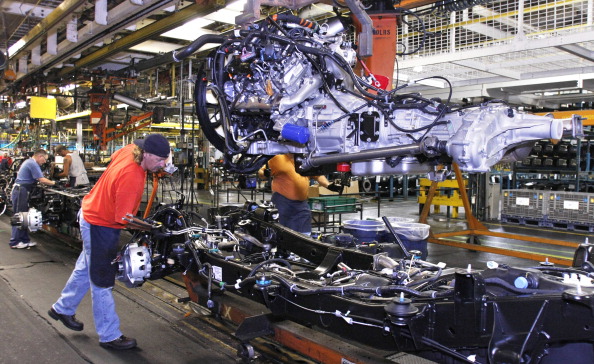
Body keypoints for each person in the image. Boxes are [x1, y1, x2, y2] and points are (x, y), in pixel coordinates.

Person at [48, 134, 170, 350]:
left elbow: (113, 156)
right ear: (147, 154)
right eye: (160, 160)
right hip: (100, 224)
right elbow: (123, 218)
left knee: (86, 267)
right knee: (102, 279)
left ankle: (62, 308)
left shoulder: (129, 151)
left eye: (166, 160)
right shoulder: (132, 177)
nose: (163, 165)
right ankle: (109, 335)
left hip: (91, 211)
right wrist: (152, 229)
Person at [258, 153, 341, 234]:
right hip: (282, 202)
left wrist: (328, 185)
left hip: (301, 203)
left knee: (304, 231)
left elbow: (317, 175)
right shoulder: (278, 158)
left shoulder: (305, 158)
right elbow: (261, 172)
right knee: (280, 230)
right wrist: (264, 174)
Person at [10, 149, 58, 249]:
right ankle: (15, 242)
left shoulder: (29, 162)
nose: (44, 162)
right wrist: (54, 183)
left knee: (25, 217)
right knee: (20, 217)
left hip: (23, 191)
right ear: (40, 156)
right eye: (44, 159)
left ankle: (24, 240)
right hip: (20, 191)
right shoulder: (32, 164)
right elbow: (41, 179)